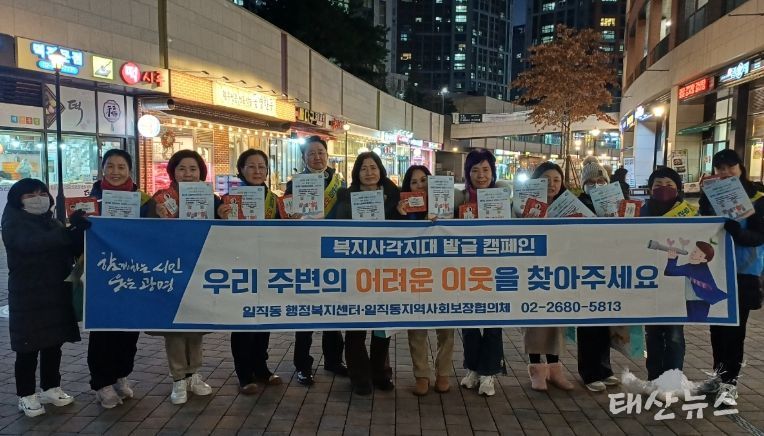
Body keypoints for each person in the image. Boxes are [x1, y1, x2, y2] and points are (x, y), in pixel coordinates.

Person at [2, 179, 86, 417]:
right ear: (18, 200)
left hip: (55, 291)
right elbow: (33, 244)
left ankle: (51, 387)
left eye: (41, 193)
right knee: (27, 347)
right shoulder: (12, 223)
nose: (38, 199)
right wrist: (67, 232)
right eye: (30, 195)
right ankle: (26, 394)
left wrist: (78, 233)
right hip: (28, 295)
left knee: (53, 342)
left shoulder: (52, 221)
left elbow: (67, 248)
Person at [87, 149, 155, 409]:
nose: (115, 172)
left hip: (134, 275)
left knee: (129, 329)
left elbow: (154, 234)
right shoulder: (89, 202)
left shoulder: (144, 201)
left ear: (130, 170)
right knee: (104, 329)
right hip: (102, 275)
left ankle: (120, 375)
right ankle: (101, 383)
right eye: (110, 166)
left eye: (121, 167)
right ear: (102, 169)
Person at [697, 149, 764, 406]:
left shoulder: (758, 199)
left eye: (730, 167)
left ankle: (729, 384)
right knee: (716, 328)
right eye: (720, 168)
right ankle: (718, 376)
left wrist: (738, 232)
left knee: (735, 331)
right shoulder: (710, 195)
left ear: (740, 168)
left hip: (743, 273)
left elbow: (759, 236)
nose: (725, 172)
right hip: (715, 270)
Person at [216, 149, 282, 395]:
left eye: (261, 166)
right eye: (251, 166)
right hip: (240, 267)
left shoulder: (275, 201)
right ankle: (244, 373)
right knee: (243, 320)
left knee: (263, 319)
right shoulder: (227, 200)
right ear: (241, 170)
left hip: (267, 267)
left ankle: (261, 367)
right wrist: (220, 217)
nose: (257, 171)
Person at [150, 149, 213, 405]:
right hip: (171, 269)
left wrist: (223, 213)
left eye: (193, 169)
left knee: (196, 324)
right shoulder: (160, 199)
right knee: (174, 326)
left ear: (201, 173)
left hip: (200, 267)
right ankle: (178, 377)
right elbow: (144, 231)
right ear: (173, 172)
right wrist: (157, 217)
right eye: (182, 169)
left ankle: (194, 374)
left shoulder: (211, 198)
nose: (188, 174)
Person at [336, 151, 401, 395]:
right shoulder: (346, 196)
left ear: (380, 170)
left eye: (373, 167)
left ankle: (380, 372)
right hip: (356, 268)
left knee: (383, 325)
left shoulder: (394, 196)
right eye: (364, 168)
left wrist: (401, 213)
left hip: (386, 269)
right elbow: (338, 228)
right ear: (357, 173)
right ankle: (360, 376)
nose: (369, 172)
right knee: (356, 324)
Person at [284, 136, 347, 385]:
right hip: (306, 252)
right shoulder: (294, 184)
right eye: (311, 153)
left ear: (327, 155)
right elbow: (285, 213)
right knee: (306, 312)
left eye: (320, 152)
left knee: (333, 310)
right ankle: (303, 365)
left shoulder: (340, 184)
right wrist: (291, 215)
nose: (317, 157)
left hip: (333, 251)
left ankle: (334, 360)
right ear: (304, 158)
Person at [397, 165, 454, 396]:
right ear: (407, 187)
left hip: (444, 274)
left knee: (446, 327)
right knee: (417, 326)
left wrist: (443, 219)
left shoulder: (447, 205)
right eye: (414, 182)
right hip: (415, 275)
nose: (420, 185)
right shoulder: (402, 209)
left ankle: (444, 373)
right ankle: (421, 375)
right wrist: (400, 215)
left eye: (424, 180)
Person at [640, 167, 697, 382]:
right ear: (650, 189)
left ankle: (673, 379)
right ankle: (654, 377)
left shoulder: (690, 213)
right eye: (658, 185)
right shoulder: (640, 212)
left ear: (678, 188)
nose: (664, 189)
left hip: (676, 282)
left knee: (674, 334)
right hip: (649, 280)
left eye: (669, 185)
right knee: (652, 333)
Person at [522, 162, 575, 392]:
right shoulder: (523, 205)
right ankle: (536, 370)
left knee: (555, 319)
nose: (552, 184)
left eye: (556, 180)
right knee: (534, 319)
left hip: (560, 272)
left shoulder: (570, 207)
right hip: (532, 272)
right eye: (546, 179)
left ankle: (555, 369)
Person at [457, 149, 505, 397]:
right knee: (469, 322)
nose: (481, 175)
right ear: (468, 174)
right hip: (466, 269)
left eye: (486, 169)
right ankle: (473, 369)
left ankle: (489, 373)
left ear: (493, 172)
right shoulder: (459, 199)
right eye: (475, 170)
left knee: (494, 322)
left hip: (497, 269)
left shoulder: (505, 198)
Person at [575, 161, 621, 392]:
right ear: (584, 185)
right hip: (586, 269)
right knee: (588, 323)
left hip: (609, 269)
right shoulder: (578, 206)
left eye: (601, 180)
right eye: (591, 182)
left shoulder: (618, 203)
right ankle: (589, 372)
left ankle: (604, 368)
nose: (596, 185)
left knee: (604, 320)